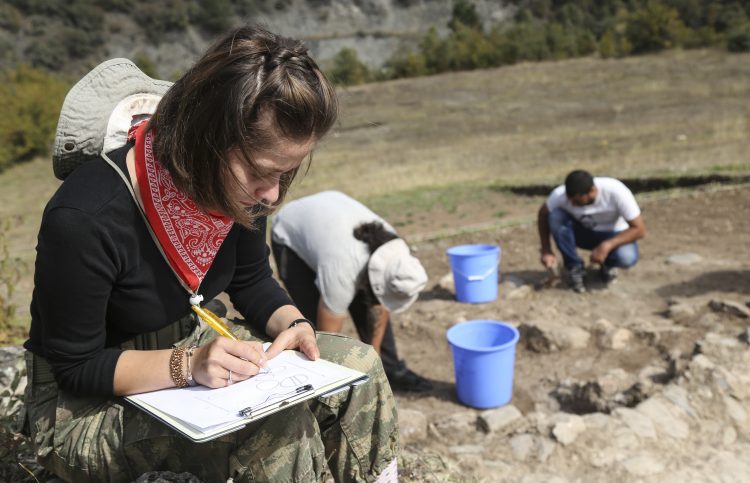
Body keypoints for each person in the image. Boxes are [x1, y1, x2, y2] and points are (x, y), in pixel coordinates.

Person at [22, 25, 399, 483]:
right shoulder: (85, 216)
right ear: (207, 139)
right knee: (275, 426)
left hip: (189, 350)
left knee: (360, 366)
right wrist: (188, 366)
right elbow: (75, 367)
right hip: (82, 407)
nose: (273, 192)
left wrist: (293, 324)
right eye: (262, 172)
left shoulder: (237, 190)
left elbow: (250, 278)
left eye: (288, 171)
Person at [271, 190, 433, 392]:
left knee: (366, 303)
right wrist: (333, 374)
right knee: (311, 327)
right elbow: (328, 334)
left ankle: (390, 369)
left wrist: (373, 362)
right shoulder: (341, 270)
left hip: (330, 221)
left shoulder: (394, 251)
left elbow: (379, 305)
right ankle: (319, 383)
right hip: (291, 232)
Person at [537, 169, 646, 292]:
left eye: (577, 201)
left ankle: (608, 265)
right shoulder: (560, 195)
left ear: (592, 191)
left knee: (626, 257)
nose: (572, 204)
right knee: (555, 216)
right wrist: (546, 250)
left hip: (614, 233)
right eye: (570, 200)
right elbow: (542, 214)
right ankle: (574, 267)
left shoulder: (616, 191)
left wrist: (607, 245)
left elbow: (639, 229)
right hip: (583, 233)